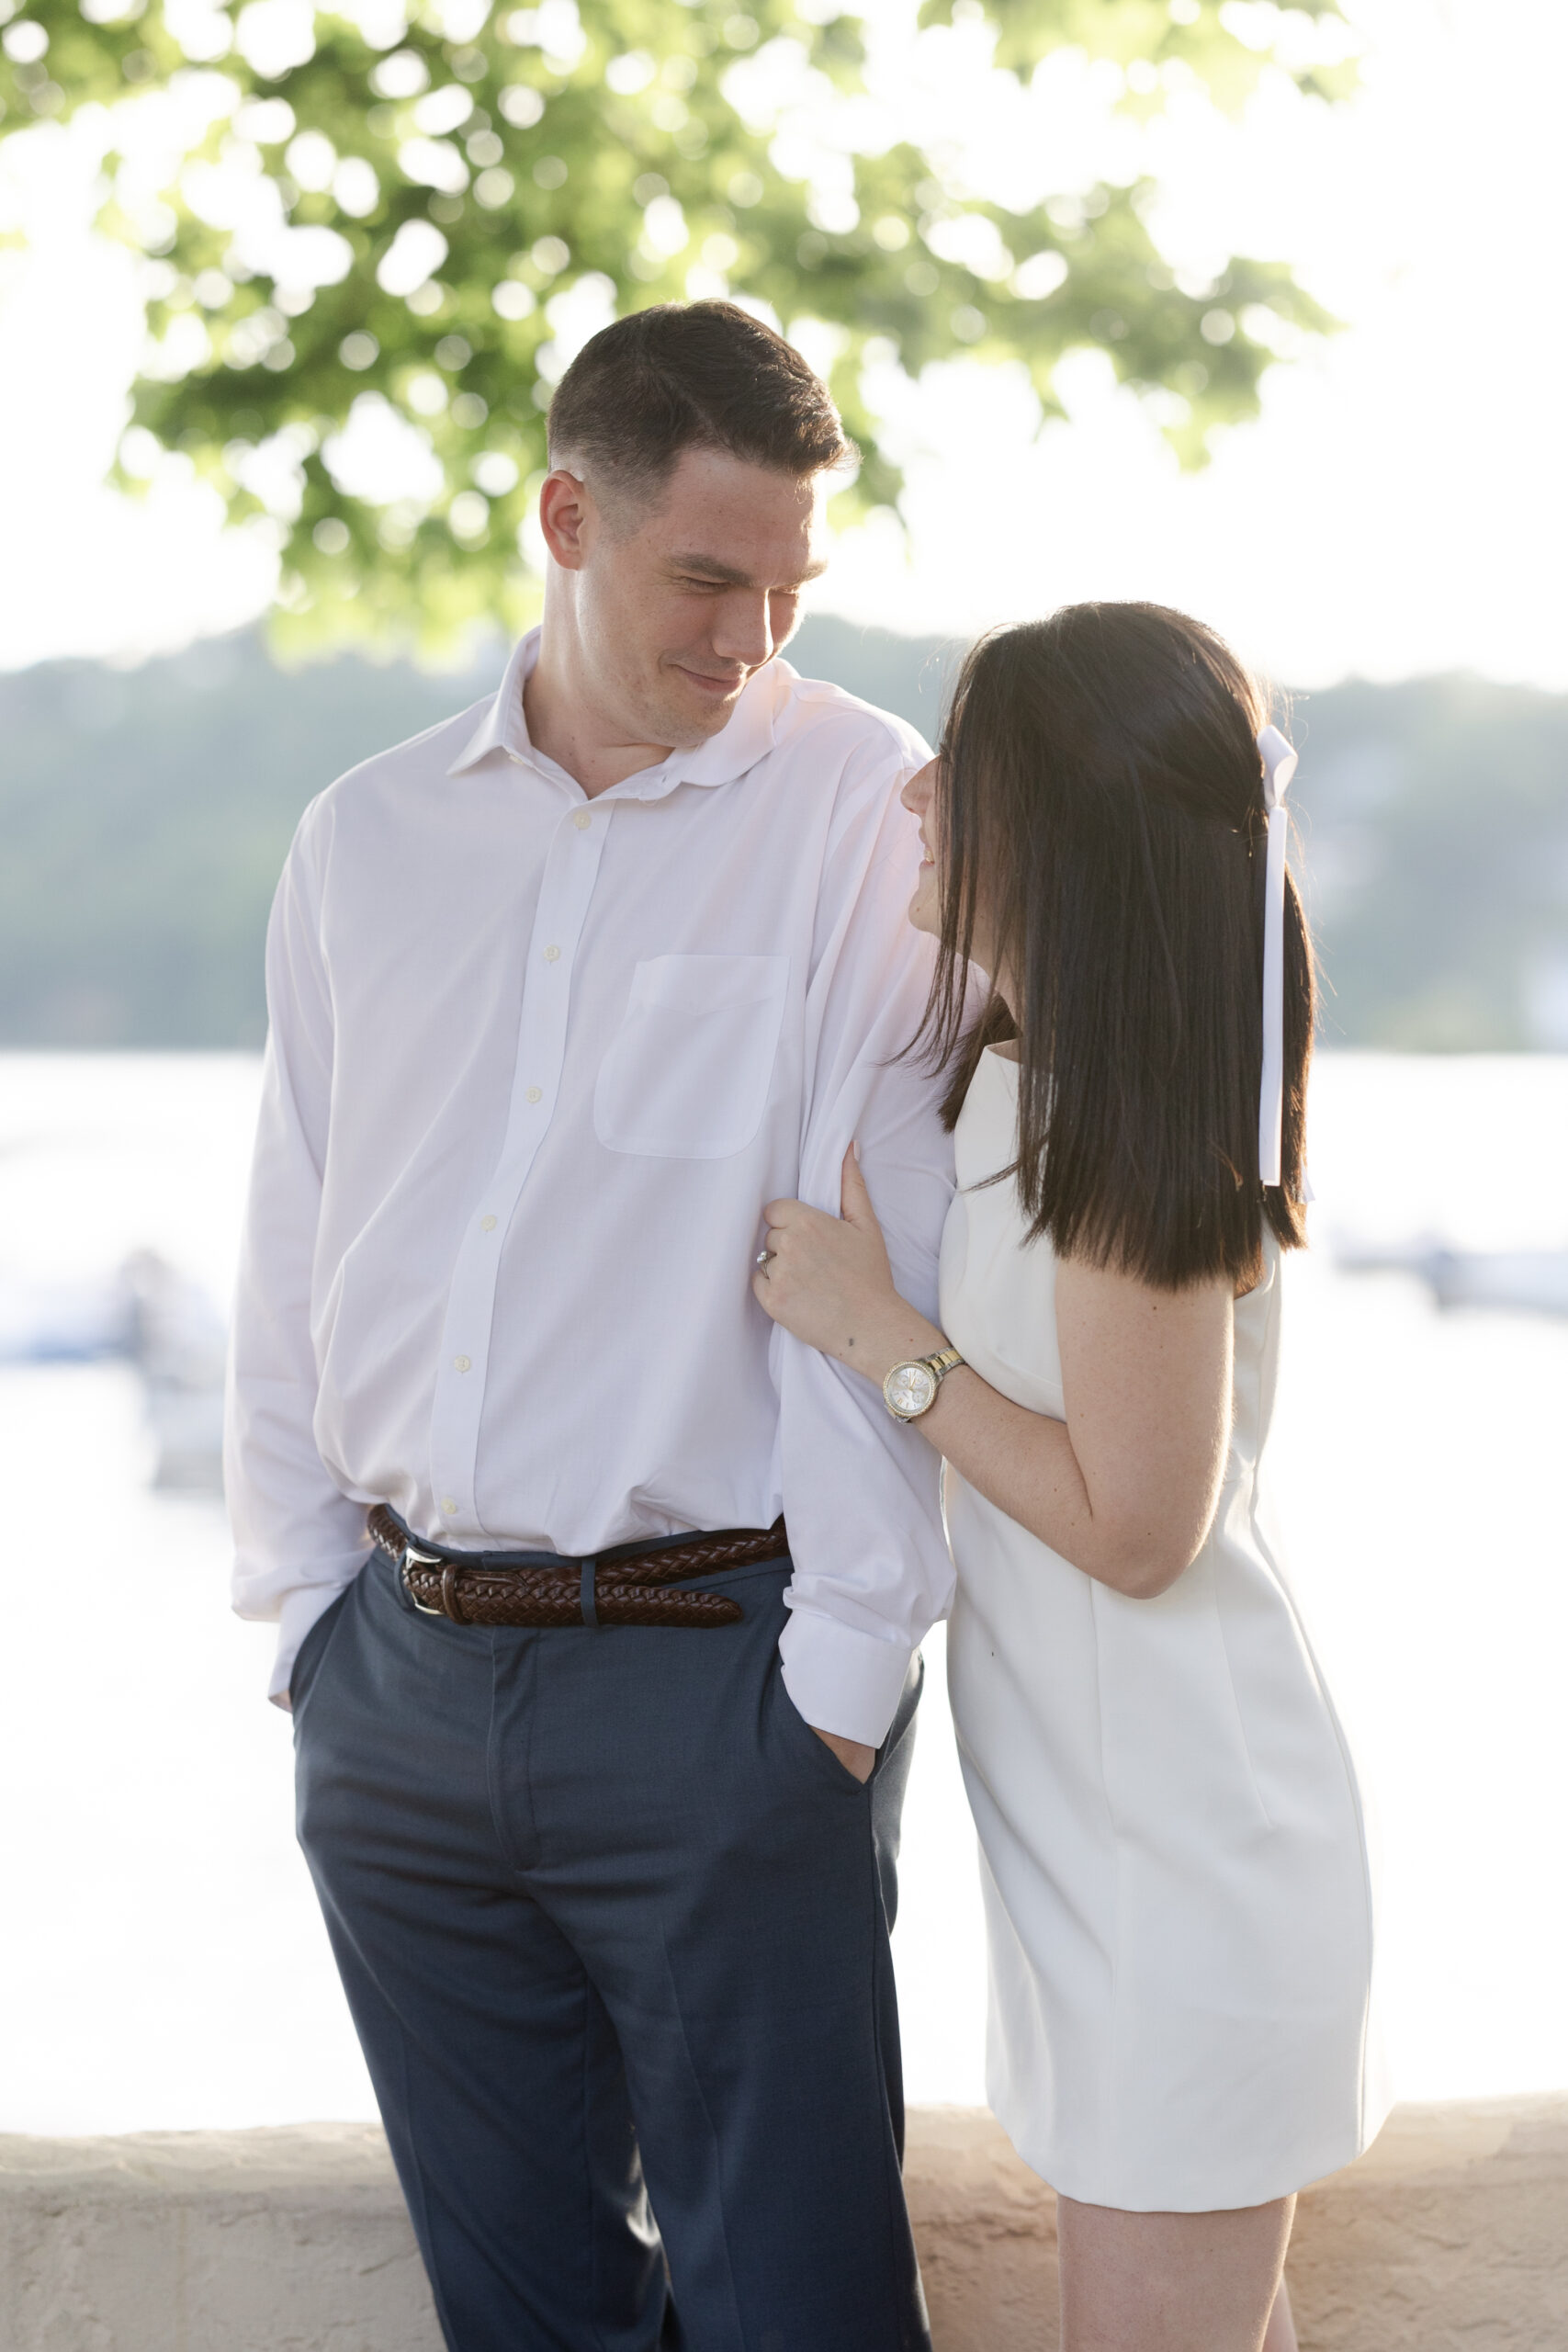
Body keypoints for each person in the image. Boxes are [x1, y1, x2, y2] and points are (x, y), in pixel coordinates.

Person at [224, 301, 960, 2352]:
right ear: (568, 513)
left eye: (790, 589)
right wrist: (301, 1616)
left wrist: (835, 1682)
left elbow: (886, 1246)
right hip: (398, 1693)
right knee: (524, 2319)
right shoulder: (367, 836)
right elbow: (296, 1228)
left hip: (722, 1685)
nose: (749, 639)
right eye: (705, 577)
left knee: (795, 2312)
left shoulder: (859, 811)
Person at [753, 603, 1390, 2352]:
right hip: (1109, 1852)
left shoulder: (1135, 1128)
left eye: (961, 769)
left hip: (1185, 1869)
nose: (915, 798)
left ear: (1053, 830)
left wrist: (875, 1331)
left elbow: (1137, 1523)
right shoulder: (1027, 1080)